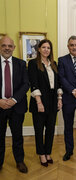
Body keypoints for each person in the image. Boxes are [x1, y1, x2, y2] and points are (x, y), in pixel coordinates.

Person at [28, 39, 62, 167]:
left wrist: (59, 99)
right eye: (44, 47)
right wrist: (39, 102)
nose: (46, 50)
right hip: (39, 101)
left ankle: (48, 152)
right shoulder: (33, 64)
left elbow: (58, 84)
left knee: (50, 129)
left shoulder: (54, 64)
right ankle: (41, 154)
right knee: (39, 130)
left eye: (48, 48)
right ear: (39, 49)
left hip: (53, 101)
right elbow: (34, 84)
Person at [0, 36, 29, 173]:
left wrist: (14, 100)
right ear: (0, 47)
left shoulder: (21, 64)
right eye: (4, 45)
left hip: (16, 107)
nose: (7, 48)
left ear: (14, 48)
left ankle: (19, 161)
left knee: (17, 136)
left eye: (9, 46)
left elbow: (26, 84)